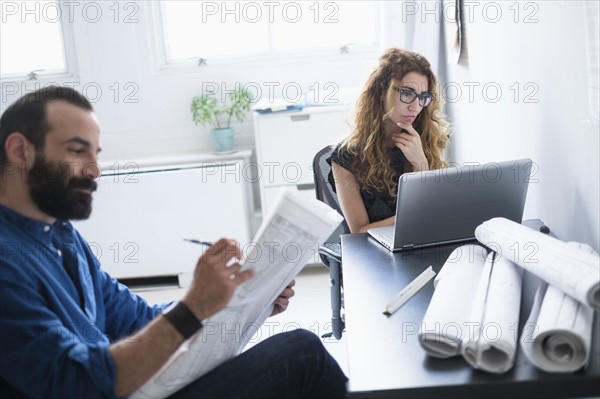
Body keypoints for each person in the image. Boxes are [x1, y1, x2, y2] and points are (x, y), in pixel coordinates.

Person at [0, 86, 347, 398]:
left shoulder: (61, 234)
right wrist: (193, 307)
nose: (95, 169)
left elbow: (135, 318)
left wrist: (235, 302)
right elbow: (75, 382)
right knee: (303, 355)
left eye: (96, 153)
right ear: (20, 151)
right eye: (77, 151)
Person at [329, 48, 450, 233]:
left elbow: (439, 212)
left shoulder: (428, 139)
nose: (415, 106)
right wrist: (409, 217)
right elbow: (359, 231)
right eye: (407, 93)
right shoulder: (346, 156)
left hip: (423, 240)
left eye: (422, 97)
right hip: (376, 250)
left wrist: (420, 164)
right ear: (380, 91)